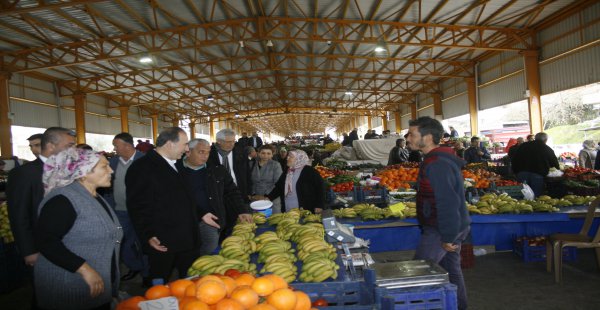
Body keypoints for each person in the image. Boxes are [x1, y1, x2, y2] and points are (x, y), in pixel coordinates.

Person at [34, 148, 122, 310]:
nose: (111, 170)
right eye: (104, 167)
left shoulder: (93, 196)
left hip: (93, 286)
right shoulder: (63, 200)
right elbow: (45, 241)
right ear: (83, 173)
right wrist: (84, 269)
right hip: (69, 285)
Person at [407, 116, 471, 310]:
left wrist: (448, 236)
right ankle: (460, 306)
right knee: (451, 271)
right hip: (452, 225)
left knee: (419, 272)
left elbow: (448, 202)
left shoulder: (437, 163)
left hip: (441, 229)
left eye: (412, 134)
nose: (407, 138)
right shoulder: (435, 159)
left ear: (427, 138)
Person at [126, 127, 199, 283]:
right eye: (185, 144)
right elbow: (137, 206)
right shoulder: (142, 168)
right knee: (160, 282)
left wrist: (202, 213)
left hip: (185, 237)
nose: (187, 149)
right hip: (162, 242)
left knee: (189, 282)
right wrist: (148, 235)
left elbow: (185, 198)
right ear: (169, 144)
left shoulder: (177, 164)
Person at [7, 127, 76, 270]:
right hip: (41, 245)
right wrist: (29, 250)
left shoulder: (71, 170)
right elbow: (19, 214)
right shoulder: (24, 174)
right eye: (69, 146)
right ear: (51, 146)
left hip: (70, 241)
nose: (74, 150)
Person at [177, 139, 252, 256]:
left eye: (207, 152)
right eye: (201, 152)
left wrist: (242, 210)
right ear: (188, 152)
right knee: (186, 256)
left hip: (211, 221)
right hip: (184, 222)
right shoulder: (175, 170)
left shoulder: (217, 169)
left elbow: (232, 192)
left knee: (209, 254)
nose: (205, 156)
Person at [102, 133, 147, 283]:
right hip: (120, 211)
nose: (114, 149)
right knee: (122, 242)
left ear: (127, 146)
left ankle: (147, 273)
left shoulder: (145, 160)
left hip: (142, 212)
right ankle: (135, 266)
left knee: (145, 242)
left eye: (116, 146)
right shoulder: (113, 162)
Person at [207, 128, 252, 237]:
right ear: (218, 141)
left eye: (233, 141)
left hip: (237, 193)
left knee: (236, 223)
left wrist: (248, 192)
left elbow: (247, 174)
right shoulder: (209, 154)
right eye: (228, 142)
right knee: (221, 223)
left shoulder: (240, 152)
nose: (231, 144)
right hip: (218, 195)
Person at [260, 150, 326, 214]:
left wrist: (320, 205)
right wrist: (269, 197)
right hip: (288, 206)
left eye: (291, 157)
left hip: (305, 208)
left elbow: (320, 188)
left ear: (299, 158)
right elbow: (279, 187)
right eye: (288, 156)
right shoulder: (288, 171)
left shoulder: (310, 171)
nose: (287, 158)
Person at [511, 132, 560, 197]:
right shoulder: (547, 149)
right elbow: (554, 163)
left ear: (535, 138)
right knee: (536, 196)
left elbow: (514, 159)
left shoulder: (523, 146)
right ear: (545, 140)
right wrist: (558, 170)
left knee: (523, 194)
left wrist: (515, 171)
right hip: (537, 174)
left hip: (522, 173)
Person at [250, 145, 284, 213]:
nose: (265, 156)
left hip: (272, 197)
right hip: (256, 198)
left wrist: (266, 196)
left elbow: (279, 183)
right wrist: (253, 195)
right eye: (263, 153)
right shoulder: (251, 164)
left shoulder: (276, 165)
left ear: (272, 155)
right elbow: (248, 181)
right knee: (258, 220)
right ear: (258, 154)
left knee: (273, 220)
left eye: (268, 153)